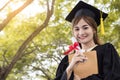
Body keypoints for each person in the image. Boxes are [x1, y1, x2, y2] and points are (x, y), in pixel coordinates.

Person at [54, 1, 120, 80]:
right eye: (77, 29)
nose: (81, 33)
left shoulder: (106, 51)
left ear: (94, 29)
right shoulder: (67, 60)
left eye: (85, 27)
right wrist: (69, 69)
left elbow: (113, 77)